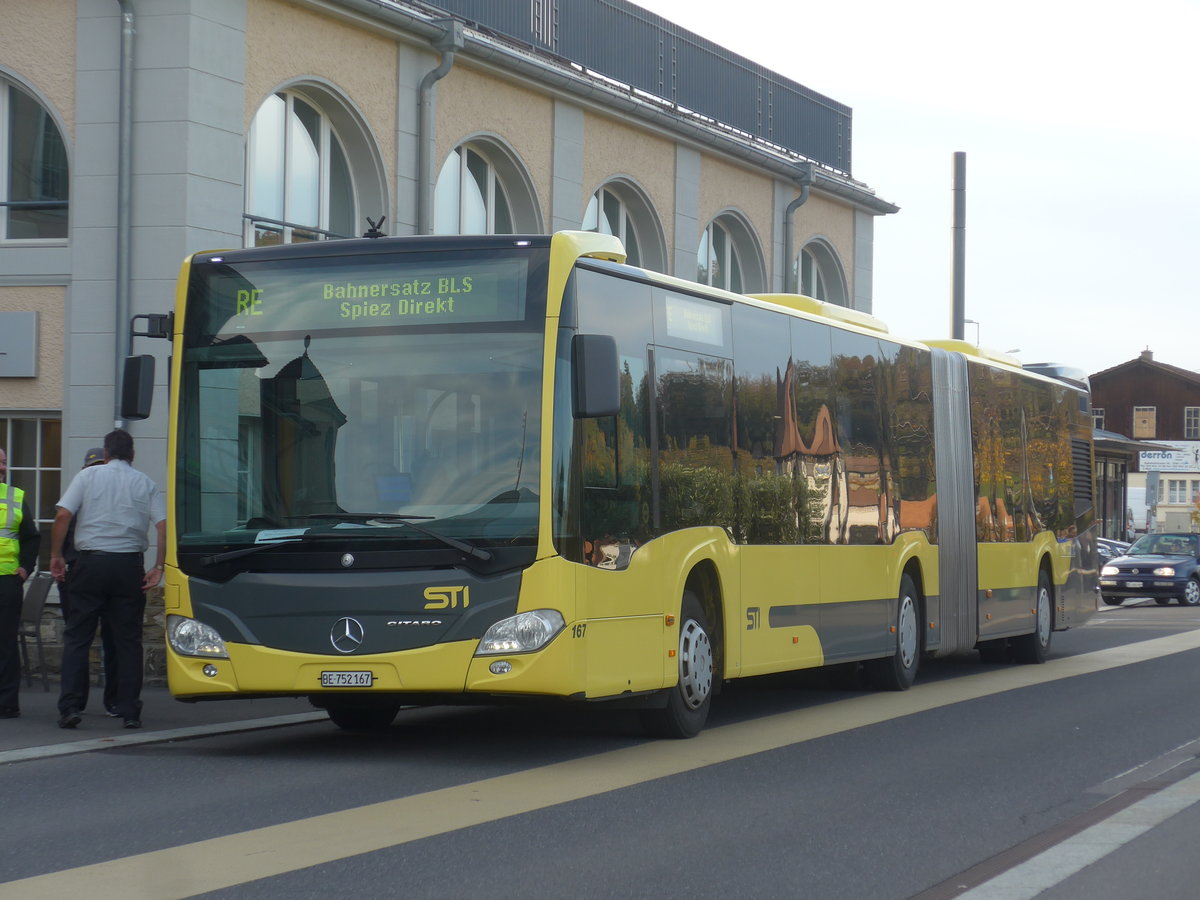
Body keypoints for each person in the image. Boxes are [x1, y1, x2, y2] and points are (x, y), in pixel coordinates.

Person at [50, 430, 166, 729]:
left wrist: (56, 556)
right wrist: (158, 566)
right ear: (133, 454)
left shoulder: (88, 478)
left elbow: (63, 515)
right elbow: (164, 526)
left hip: (91, 564)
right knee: (128, 641)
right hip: (128, 566)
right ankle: (129, 710)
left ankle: (71, 708)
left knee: (78, 637)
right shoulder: (146, 483)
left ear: (105, 452)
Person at [58, 447, 119, 715]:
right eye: (90, 467)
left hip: (98, 570)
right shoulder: (77, 495)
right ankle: (75, 703)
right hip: (75, 571)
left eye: (98, 466)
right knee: (78, 639)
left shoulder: (110, 496)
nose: (93, 471)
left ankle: (113, 699)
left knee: (111, 638)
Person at [0, 447, 42, 719]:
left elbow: (31, 537)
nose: (3, 468)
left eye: (4, 462)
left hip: (7, 581)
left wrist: (26, 568)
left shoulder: (15, 496)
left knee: (5, 642)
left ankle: (6, 702)